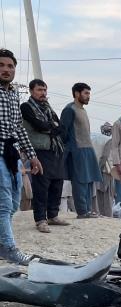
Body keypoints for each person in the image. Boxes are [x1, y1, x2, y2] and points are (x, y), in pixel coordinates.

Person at [0, 49, 43, 264]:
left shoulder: (13, 94)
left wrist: (32, 156)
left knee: (15, 202)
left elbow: (18, 128)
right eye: (2, 65)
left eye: (10, 66)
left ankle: (2, 246)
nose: (6, 70)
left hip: (12, 154)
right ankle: (9, 249)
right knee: (4, 204)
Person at [20, 78, 69, 233]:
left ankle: (52, 215)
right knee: (41, 186)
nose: (43, 93)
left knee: (57, 183)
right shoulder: (26, 107)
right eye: (39, 90)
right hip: (39, 150)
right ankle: (40, 219)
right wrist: (51, 127)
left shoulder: (48, 108)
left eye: (44, 90)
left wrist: (50, 128)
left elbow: (61, 127)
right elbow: (37, 125)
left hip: (55, 149)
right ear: (31, 91)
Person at [60, 83, 101, 219]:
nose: (88, 96)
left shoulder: (82, 110)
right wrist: (71, 150)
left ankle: (88, 209)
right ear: (77, 94)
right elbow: (63, 133)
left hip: (87, 149)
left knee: (89, 181)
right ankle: (82, 212)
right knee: (80, 181)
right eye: (86, 93)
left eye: (89, 93)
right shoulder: (69, 109)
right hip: (76, 150)